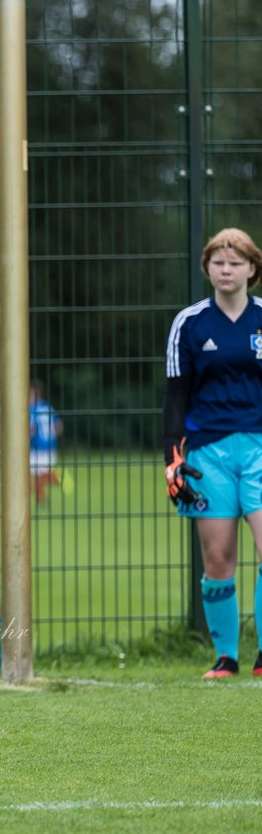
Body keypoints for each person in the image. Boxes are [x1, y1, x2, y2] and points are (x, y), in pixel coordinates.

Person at [164, 226, 262, 679]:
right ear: (207, 268)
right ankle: (227, 658)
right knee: (219, 558)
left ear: (252, 269)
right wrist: (173, 458)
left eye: (235, 262)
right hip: (208, 454)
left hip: (260, 448)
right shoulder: (189, 323)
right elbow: (176, 396)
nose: (226, 269)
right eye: (218, 262)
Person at [29, 379, 63, 503]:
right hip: (51, 444)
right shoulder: (48, 407)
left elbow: (30, 428)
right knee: (41, 472)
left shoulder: (31, 409)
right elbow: (59, 427)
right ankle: (54, 481)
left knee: (32, 474)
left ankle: (42, 495)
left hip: (36, 445)